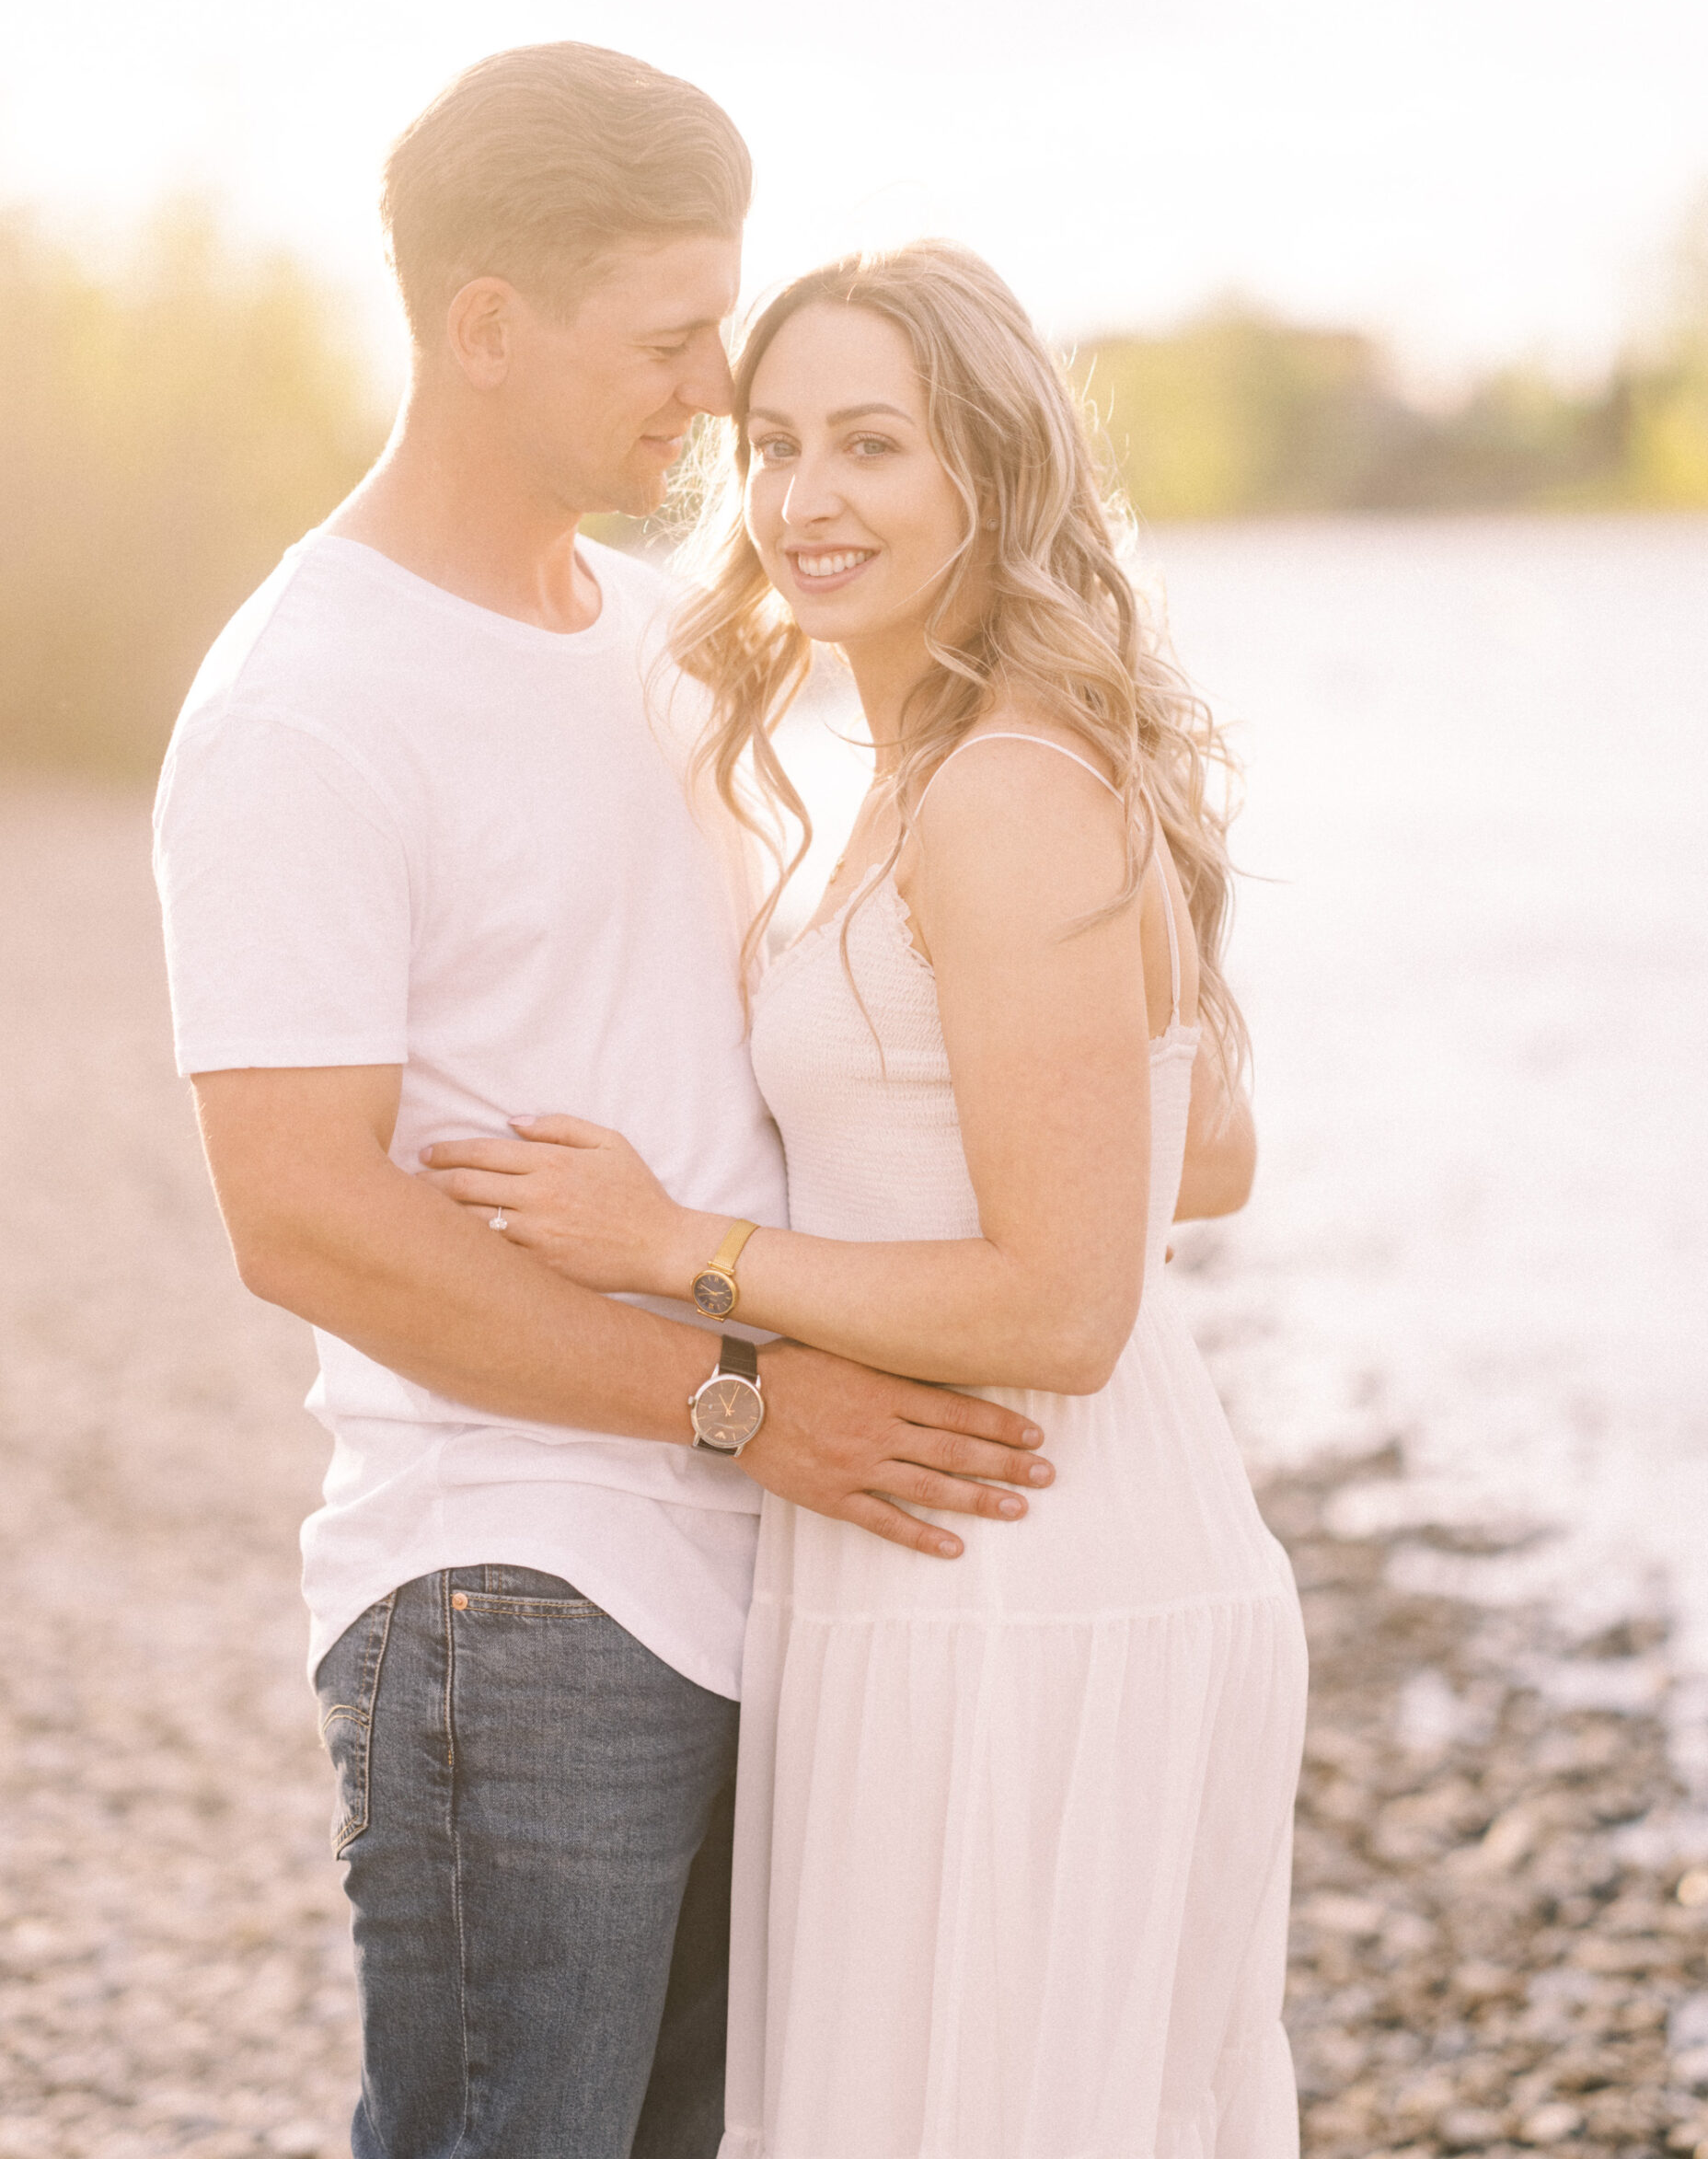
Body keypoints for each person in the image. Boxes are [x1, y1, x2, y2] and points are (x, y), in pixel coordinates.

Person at [152, 52, 1059, 2159]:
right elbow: (298, 1213)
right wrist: (742, 1400)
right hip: (517, 1593)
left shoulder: (668, 636)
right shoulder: (306, 701)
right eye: (670, 340)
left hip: (769, 1566)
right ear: (488, 327)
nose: (710, 395)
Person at [426, 241, 1306, 2155]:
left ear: (983, 476)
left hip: (1027, 1555)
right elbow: (1209, 1143)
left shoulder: (1001, 787)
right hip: (966, 1534)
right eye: (775, 443)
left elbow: (1071, 1304)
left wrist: (685, 1247)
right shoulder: (933, 771)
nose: (806, 499)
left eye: (870, 447)